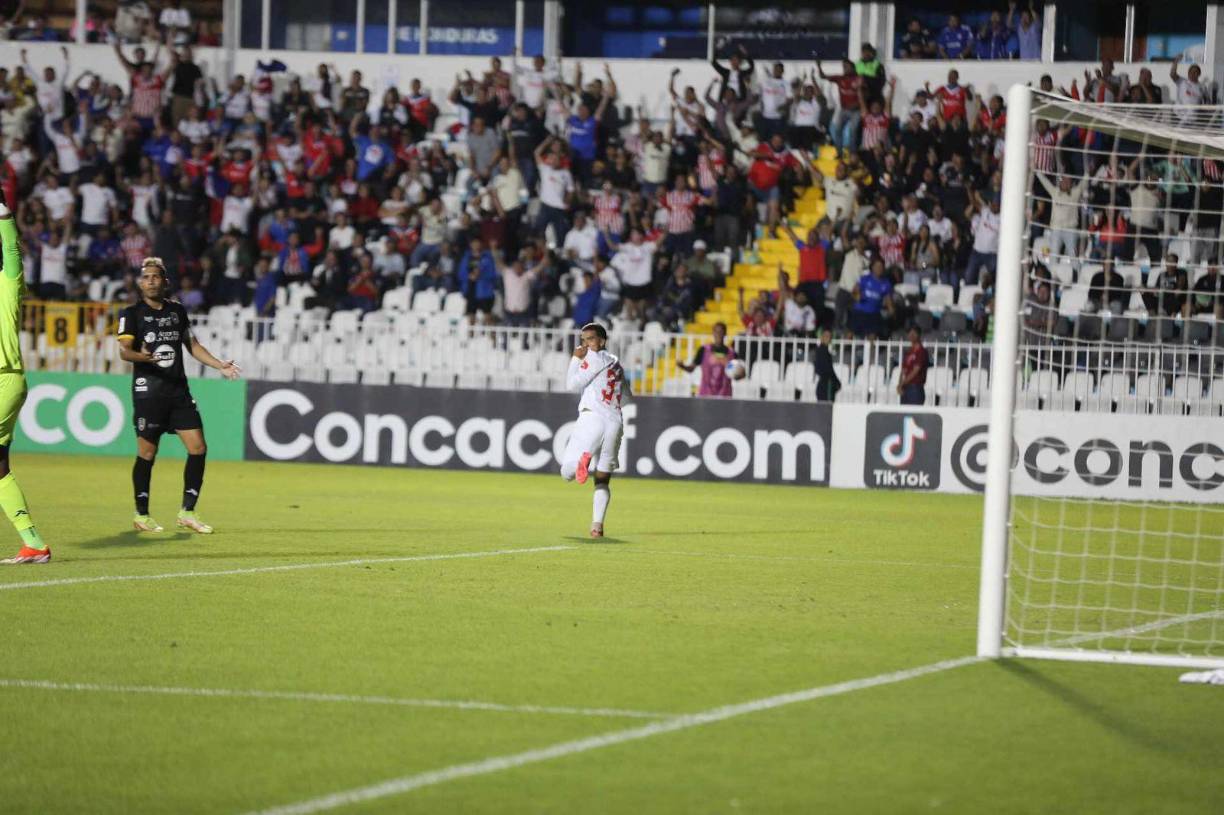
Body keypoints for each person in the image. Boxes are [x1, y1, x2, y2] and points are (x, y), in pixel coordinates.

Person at [117, 258, 242, 535]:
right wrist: (142, 356)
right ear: (140, 283)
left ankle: (187, 511)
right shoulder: (131, 313)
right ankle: (142, 514)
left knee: (198, 447)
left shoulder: (177, 311)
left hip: (178, 392)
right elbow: (124, 351)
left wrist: (220, 364)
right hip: (148, 393)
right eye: (146, 277)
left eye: (155, 277)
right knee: (147, 453)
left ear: (165, 282)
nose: (150, 280)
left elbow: (192, 345)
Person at [0, 191, 50, 564]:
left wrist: (2, 211)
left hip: (4, 379)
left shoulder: (8, 283)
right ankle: (33, 542)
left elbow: (12, 250)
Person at [560, 323, 632, 539]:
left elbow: (571, 386)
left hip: (592, 417)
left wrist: (575, 359)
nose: (586, 344)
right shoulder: (616, 364)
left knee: (566, 473)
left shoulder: (592, 358)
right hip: (615, 423)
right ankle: (597, 526)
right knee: (602, 479)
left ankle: (583, 460)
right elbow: (627, 397)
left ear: (601, 340)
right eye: (583, 339)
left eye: (590, 339)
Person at [678, 321, 736, 398]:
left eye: (721, 332)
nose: (718, 334)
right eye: (716, 331)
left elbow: (738, 374)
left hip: (725, 396)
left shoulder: (732, 353)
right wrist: (682, 366)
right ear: (713, 333)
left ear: (725, 333)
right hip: (705, 395)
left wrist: (738, 372)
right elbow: (691, 369)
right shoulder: (703, 350)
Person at [897, 327, 929, 405]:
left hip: (915, 388)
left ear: (919, 335)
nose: (912, 336)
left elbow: (916, 370)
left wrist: (902, 383)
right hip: (906, 388)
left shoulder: (921, 351)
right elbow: (903, 370)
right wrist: (900, 384)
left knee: (914, 415)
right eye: (910, 333)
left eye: (914, 333)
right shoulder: (909, 352)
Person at [812, 328, 840, 402]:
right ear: (821, 337)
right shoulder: (821, 351)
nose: (828, 338)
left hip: (825, 385)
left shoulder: (823, 351)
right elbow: (827, 369)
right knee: (827, 407)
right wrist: (836, 381)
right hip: (826, 385)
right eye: (826, 336)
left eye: (829, 337)